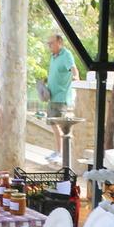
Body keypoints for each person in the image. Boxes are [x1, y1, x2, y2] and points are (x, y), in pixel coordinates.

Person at [45, 33, 79, 163]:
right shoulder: (53, 57)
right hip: (51, 96)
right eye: (48, 44)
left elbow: (74, 69)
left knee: (57, 124)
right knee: (53, 125)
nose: (50, 46)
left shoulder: (66, 55)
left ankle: (60, 153)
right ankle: (57, 151)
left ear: (59, 42)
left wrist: (76, 77)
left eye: (51, 43)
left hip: (61, 97)